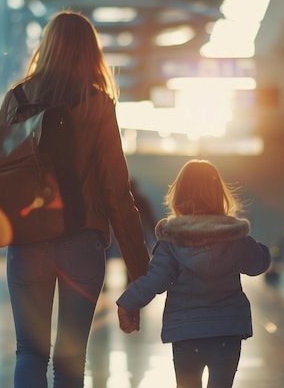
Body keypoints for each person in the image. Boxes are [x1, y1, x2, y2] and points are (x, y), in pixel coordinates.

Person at [0, 10, 150, 388]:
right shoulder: (97, 104)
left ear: (46, 48)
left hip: (26, 239)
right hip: (81, 242)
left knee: (29, 353)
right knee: (69, 362)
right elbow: (117, 193)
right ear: (90, 53)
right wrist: (140, 277)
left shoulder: (17, 99)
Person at [116, 159, 271, 388]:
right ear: (220, 195)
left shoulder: (172, 240)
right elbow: (259, 263)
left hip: (186, 333)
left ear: (178, 196)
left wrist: (128, 302)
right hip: (227, 332)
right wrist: (250, 243)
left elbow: (156, 279)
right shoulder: (235, 236)